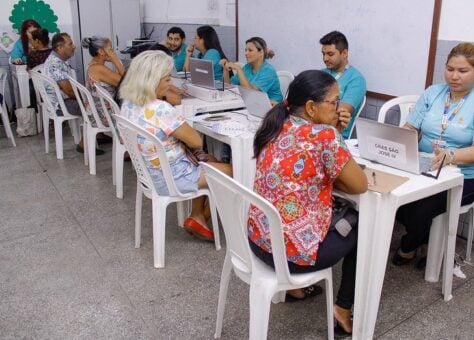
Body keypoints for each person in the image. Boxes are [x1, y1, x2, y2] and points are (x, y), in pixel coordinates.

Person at [247, 70, 368, 337]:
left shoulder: (276, 123)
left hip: (259, 241)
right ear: (312, 107)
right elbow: (360, 185)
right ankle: (342, 308)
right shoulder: (324, 136)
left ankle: (296, 289)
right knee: (363, 227)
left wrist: (334, 131)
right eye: (335, 102)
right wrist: (335, 135)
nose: (339, 107)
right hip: (291, 257)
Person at [392, 42, 474, 269]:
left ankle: (409, 245)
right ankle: (424, 241)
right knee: (393, 194)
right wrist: (400, 139)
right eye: (450, 69)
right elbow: (410, 128)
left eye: (463, 71)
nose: (454, 76)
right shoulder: (433, 92)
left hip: (463, 177)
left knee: (419, 208)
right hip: (423, 166)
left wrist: (450, 156)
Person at [118, 50, 233, 240]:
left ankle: (197, 217)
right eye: (166, 79)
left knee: (209, 159)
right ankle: (216, 222)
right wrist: (175, 113)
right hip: (173, 177)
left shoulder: (128, 104)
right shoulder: (160, 109)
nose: (170, 83)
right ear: (152, 81)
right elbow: (196, 141)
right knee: (235, 172)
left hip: (149, 174)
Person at [43, 33, 103, 155]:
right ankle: (83, 144)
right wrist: (88, 98)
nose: (74, 46)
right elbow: (69, 91)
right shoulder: (56, 64)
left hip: (60, 101)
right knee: (95, 106)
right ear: (59, 48)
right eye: (70, 44)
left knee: (94, 102)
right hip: (61, 105)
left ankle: (99, 134)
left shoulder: (56, 60)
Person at [320, 31, 366, 139]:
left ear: (344, 53)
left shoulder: (356, 80)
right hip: (313, 129)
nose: (325, 58)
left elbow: (337, 116)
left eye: (330, 54)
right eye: (323, 54)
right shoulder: (321, 73)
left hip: (336, 136)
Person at [220, 36, 283, 104]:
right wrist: (225, 69)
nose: (246, 53)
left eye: (250, 50)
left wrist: (238, 69)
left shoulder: (268, 71)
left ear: (261, 52)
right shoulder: (247, 67)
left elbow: (251, 94)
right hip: (253, 104)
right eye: (245, 50)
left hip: (272, 109)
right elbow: (228, 86)